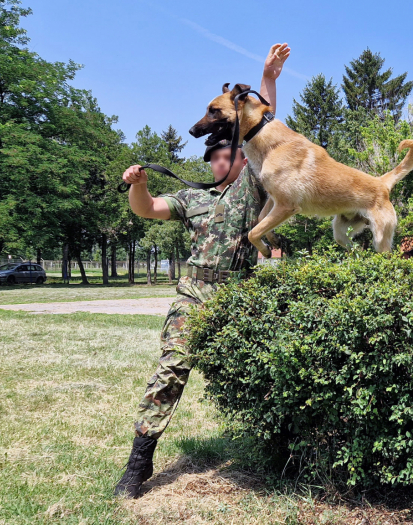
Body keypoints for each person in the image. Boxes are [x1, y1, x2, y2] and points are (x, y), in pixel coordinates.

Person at [114, 43, 291, 499]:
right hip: (194, 295)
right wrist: (139, 185)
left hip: (239, 297)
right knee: (171, 371)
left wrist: (268, 78)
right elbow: (147, 209)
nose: (219, 161)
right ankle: (138, 464)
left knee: (263, 369)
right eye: (213, 158)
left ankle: (280, 451)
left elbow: (261, 122)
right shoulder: (192, 198)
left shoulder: (253, 185)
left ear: (240, 158)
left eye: (226, 155)